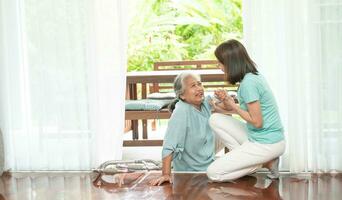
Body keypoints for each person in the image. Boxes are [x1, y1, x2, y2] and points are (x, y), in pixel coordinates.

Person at [206, 39, 286, 181]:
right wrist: (219, 105)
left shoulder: (249, 83)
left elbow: (257, 122)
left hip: (267, 143)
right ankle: (255, 160)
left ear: (230, 63)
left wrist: (233, 106)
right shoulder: (251, 77)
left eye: (220, 62)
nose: (219, 66)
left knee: (213, 173)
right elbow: (242, 111)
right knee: (215, 119)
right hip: (258, 136)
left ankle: (266, 162)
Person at [149, 72, 225, 186]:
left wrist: (223, 96)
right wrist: (166, 174)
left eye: (199, 84)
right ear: (182, 95)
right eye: (193, 86)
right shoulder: (181, 111)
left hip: (206, 154)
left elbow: (221, 103)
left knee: (227, 123)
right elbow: (169, 145)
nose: (199, 88)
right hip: (192, 170)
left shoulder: (203, 103)